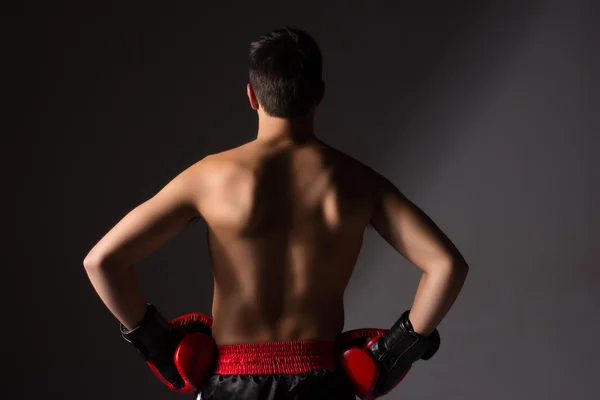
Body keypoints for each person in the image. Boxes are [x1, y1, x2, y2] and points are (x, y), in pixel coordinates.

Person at [83, 27, 469, 399]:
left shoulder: (208, 178)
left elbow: (102, 261)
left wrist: (162, 347)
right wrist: (391, 356)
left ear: (252, 96)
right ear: (319, 94)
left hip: (231, 384)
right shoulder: (359, 182)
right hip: (322, 386)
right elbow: (447, 266)